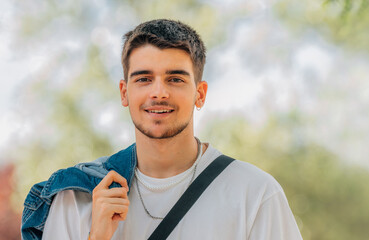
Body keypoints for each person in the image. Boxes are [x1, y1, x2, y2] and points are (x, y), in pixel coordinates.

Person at [21, 19, 302, 240]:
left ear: (200, 94)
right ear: (124, 92)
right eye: (143, 78)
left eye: (175, 79)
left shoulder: (255, 195)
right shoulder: (75, 199)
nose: (159, 92)